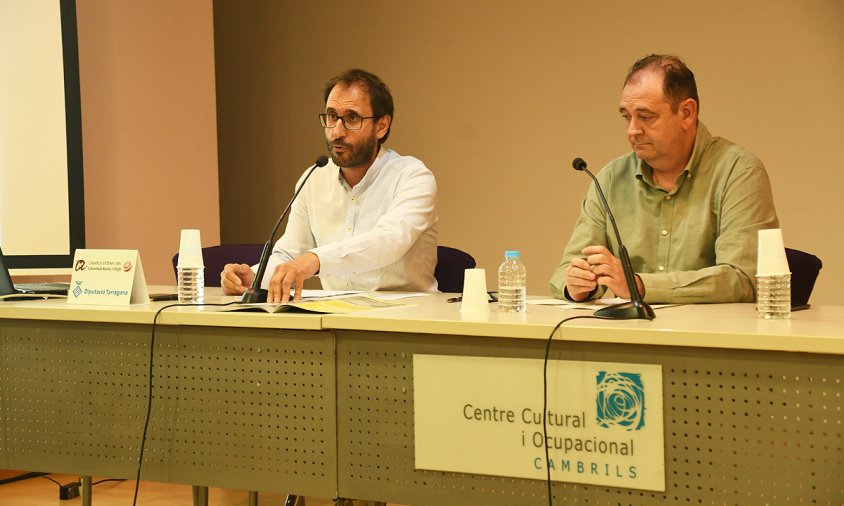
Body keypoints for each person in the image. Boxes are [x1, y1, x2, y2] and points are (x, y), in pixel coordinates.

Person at [549, 54, 778, 304]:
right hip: (630, 336)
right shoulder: (611, 178)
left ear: (687, 113)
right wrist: (578, 285)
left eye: (645, 117)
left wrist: (639, 285)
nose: (632, 130)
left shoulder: (738, 171)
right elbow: (564, 273)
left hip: (710, 338)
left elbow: (742, 279)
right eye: (627, 116)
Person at [222, 69, 438, 303]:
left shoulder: (412, 177)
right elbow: (290, 252)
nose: (337, 132)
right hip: (335, 315)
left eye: (352, 118)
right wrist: (253, 278)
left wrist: (314, 260)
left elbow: (389, 241)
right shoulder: (314, 178)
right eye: (332, 116)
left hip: (404, 317)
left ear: (381, 126)